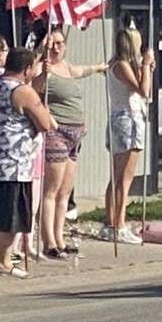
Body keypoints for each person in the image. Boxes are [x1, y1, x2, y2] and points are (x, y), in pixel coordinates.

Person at [0, 48, 56, 277]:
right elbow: (44, 124)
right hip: (13, 164)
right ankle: (4, 261)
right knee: (11, 216)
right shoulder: (22, 91)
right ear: (27, 69)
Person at [38, 29, 108, 259]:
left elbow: (81, 71)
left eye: (60, 43)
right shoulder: (43, 68)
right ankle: (48, 241)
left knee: (65, 192)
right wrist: (41, 63)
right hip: (56, 132)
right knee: (51, 190)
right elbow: (31, 87)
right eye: (52, 44)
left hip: (75, 133)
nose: (56, 48)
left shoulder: (66, 67)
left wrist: (99, 67)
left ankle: (60, 237)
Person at [103, 25, 156, 246]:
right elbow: (143, 90)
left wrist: (148, 69)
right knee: (123, 177)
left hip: (129, 116)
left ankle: (112, 221)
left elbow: (147, 91)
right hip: (127, 118)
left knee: (120, 176)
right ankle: (118, 224)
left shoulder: (121, 65)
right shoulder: (121, 65)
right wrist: (145, 64)